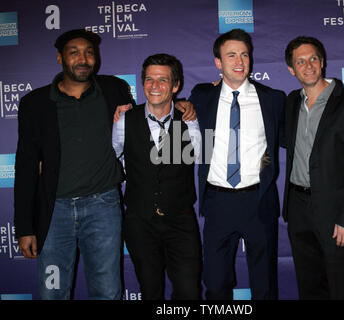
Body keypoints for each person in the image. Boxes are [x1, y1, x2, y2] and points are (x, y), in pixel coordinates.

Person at [14, 29, 194, 300]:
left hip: (103, 207)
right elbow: (26, 166)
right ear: (59, 58)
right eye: (74, 52)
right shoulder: (35, 103)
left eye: (89, 52)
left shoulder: (114, 89)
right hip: (54, 212)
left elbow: (147, 121)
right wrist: (25, 227)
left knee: (108, 292)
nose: (83, 59)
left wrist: (179, 104)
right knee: (52, 292)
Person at [188, 28, 285, 300]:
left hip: (259, 200)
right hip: (218, 202)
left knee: (264, 285)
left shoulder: (273, 99)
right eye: (231, 55)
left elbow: (294, 137)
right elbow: (173, 119)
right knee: (216, 285)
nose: (239, 61)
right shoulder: (201, 95)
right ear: (218, 63)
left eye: (244, 54)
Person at [282, 36, 344, 299]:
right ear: (292, 69)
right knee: (310, 285)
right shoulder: (290, 103)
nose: (308, 65)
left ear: (322, 62)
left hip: (338, 214)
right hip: (298, 209)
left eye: (313, 58)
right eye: (300, 61)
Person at [112, 53, 202, 300]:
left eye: (162, 80)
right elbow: (108, 160)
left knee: (188, 292)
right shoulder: (124, 121)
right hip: (140, 221)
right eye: (149, 79)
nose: (154, 86)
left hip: (181, 221)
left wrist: (186, 106)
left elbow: (197, 155)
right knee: (150, 291)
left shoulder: (190, 119)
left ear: (176, 85)